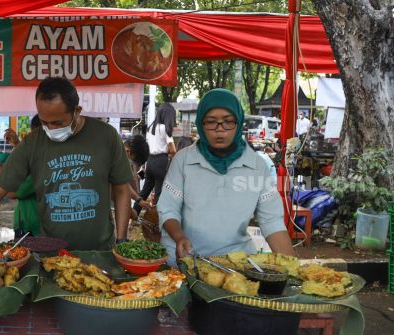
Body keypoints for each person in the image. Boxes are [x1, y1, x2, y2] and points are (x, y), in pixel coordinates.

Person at [0, 77, 133, 250]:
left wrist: (121, 240)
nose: (51, 129)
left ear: (77, 111)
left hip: (100, 250)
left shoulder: (106, 136)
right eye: (44, 122)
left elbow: (121, 190)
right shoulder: (32, 143)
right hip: (51, 254)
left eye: (58, 123)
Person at [157, 89, 294, 266]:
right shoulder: (183, 161)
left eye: (228, 122)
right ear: (200, 123)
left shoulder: (257, 166)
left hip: (235, 263)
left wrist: (294, 269)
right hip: (184, 260)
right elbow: (168, 209)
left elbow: (271, 221)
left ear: (239, 123)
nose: (219, 130)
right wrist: (179, 237)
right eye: (211, 122)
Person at [6, 115, 42, 237]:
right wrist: (17, 145)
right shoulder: (38, 157)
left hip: (32, 226)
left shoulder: (40, 166)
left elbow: (11, 193)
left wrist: (0, 170)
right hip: (28, 221)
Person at [136, 103, 176, 209]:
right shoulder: (164, 129)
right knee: (159, 193)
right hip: (161, 162)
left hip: (150, 161)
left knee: (144, 192)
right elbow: (173, 150)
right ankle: (158, 221)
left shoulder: (150, 128)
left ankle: (133, 217)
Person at [124, 135, 151, 218]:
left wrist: (138, 199)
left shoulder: (123, 157)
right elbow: (121, 186)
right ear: (128, 151)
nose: (132, 162)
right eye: (133, 160)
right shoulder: (115, 158)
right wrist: (130, 211)